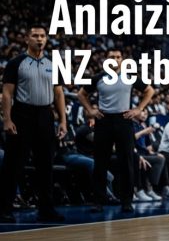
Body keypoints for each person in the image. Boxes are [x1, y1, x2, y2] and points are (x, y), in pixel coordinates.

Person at [0, 26, 67, 223]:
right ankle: (5, 209)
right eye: (35, 36)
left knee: (46, 164)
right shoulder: (16, 62)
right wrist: (7, 119)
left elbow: (59, 93)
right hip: (22, 114)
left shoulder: (53, 64)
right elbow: (7, 93)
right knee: (14, 164)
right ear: (27, 39)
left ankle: (46, 209)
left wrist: (62, 120)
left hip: (45, 115)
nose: (39, 39)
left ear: (46, 39)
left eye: (42, 36)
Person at [77, 48, 155, 213]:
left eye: (118, 57)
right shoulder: (98, 78)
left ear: (122, 59)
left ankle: (127, 200)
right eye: (112, 57)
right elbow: (81, 94)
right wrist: (91, 110)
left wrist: (139, 109)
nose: (115, 59)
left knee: (126, 162)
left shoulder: (130, 76)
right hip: (104, 120)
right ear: (106, 59)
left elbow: (150, 90)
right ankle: (98, 200)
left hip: (124, 119)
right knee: (100, 162)